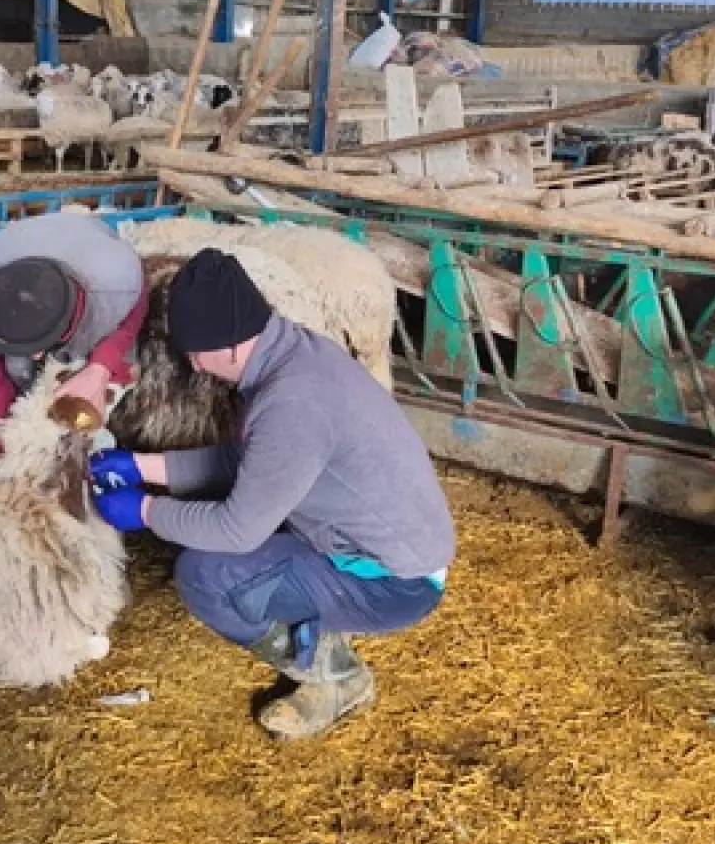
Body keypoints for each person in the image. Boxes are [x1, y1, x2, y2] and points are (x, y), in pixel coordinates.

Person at [89, 248, 455, 740]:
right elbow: (249, 463)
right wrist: (141, 467)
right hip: (377, 544)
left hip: (396, 582)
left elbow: (237, 530)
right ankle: (322, 616)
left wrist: (146, 510)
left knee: (206, 574)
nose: (193, 364)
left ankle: (337, 677)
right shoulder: (296, 356)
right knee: (242, 527)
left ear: (230, 345)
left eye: (195, 351)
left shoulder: (292, 401)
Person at [0, 210, 147, 450]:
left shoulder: (118, 281)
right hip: (25, 263)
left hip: (89, 262)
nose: (35, 356)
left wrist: (101, 367)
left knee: (101, 398)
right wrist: (14, 446)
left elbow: (134, 306)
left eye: (36, 350)